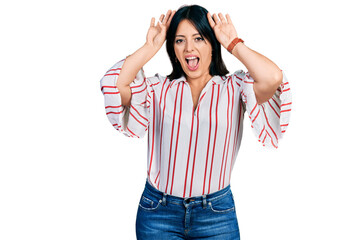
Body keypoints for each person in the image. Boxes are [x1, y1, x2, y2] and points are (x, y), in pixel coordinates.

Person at [100, 4, 292, 240]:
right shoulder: (157, 89)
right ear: (173, 49)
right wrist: (150, 48)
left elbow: (273, 77)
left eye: (199, 38)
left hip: (216, 215)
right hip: (158, 213)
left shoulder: (235, 88)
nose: (189, 47)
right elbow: (113, 84)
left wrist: (233, 43)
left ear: (213, 45)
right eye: (180, 40)